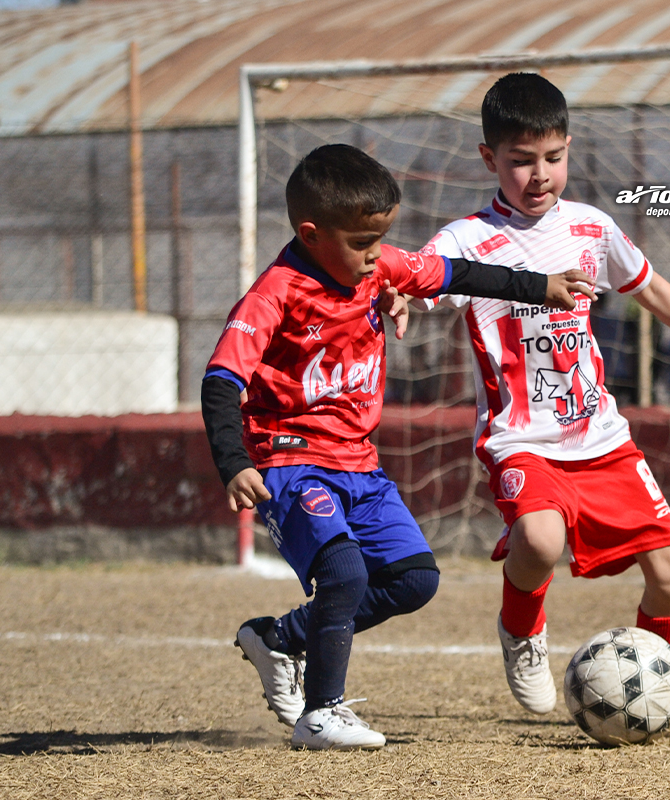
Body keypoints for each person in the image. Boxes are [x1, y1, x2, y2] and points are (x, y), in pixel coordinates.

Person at [201, 143, 594, 750]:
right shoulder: (274, 293)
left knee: (414, 579)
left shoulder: (378, 269)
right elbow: (221, 379)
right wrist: (234, 463)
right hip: (288, 459)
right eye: (362, 242)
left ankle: (282, 638)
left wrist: (540, 286)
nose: (376, 255)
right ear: (311, 234)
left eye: (381, 239)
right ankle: (321, 713)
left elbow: (458, 274)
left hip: (358, 463)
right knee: (344, 573)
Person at [409, 73, 670, 736]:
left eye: (552, 158)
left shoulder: (592, 227)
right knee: (539, 536)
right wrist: (399, 296)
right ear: (489, 158)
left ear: (568, 150)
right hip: (520, 438)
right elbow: (422, 281)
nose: (538, 175)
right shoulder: (465, 240)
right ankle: (521, 629)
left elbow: (651, 288)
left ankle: (660, 697)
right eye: (521, 160)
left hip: (601, 437)